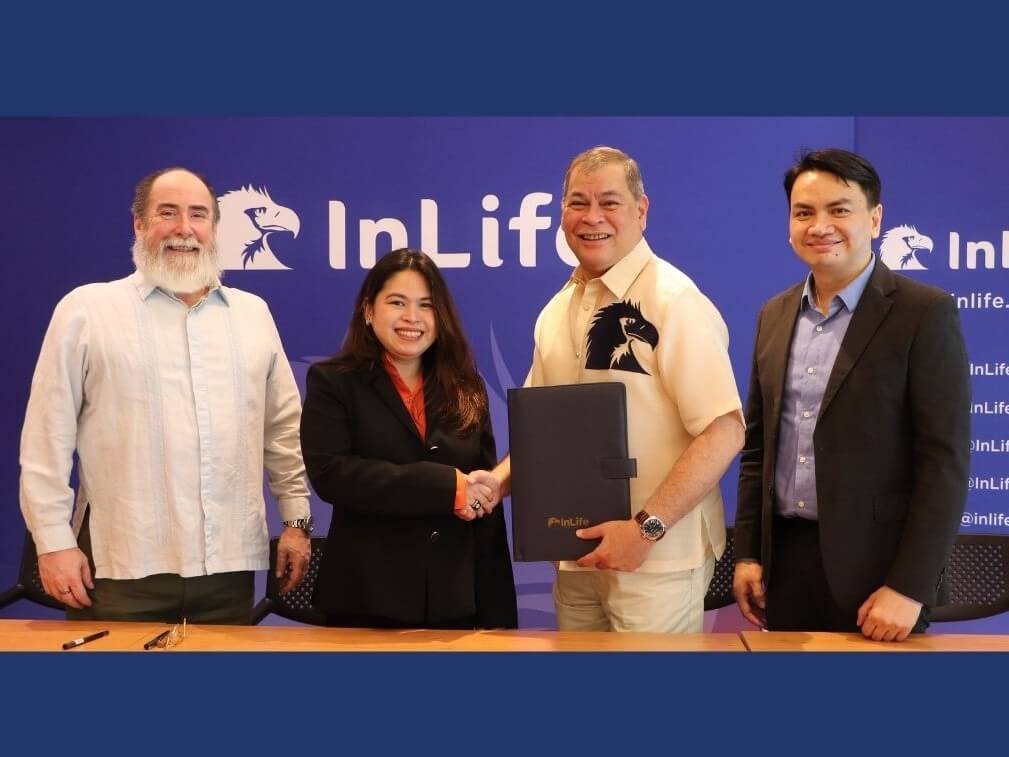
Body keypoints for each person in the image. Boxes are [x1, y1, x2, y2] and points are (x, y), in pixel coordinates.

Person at [19, 167, 312, 624]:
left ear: (214, 229)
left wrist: (295, 523)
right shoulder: (87, 311)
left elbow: (282, 432)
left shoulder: (253, 315)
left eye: (198, 215)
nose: (184, 229)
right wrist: (54, 542)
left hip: (228, 574)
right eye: (167, 213)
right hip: (119, 573)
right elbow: (46, 441)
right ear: (139, 225)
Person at [477, 146, 744, 633]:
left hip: (656, 564)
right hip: (576, 557)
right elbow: (543, 433)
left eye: (610, 202)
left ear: (641, 211)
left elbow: (724, 431)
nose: (592, 217)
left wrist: (645, 530)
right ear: (561, 214)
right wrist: (498, 482)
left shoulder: (674, 300)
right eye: (578, 202)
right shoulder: (556, 310)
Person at [733, 148, 970, 642]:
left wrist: (909, 588)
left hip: (881, 575)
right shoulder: (773, 316)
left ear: (875, 218)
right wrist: (749, 553)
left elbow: (943, 462)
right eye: (804, 212)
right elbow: (757, 450)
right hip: (786, 567)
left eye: (839, 209)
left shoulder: (923, 313)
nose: (820, 225)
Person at [300, 249, 517, 629]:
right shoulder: (333, 382)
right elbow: (333, 475)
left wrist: (496, 610)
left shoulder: (468, 387)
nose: (411, 318)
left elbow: (482, 497)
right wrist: (445, 485)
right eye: (396, 303)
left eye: (426, 305)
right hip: (367, 599)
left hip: (458, 604)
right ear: (369, 310)